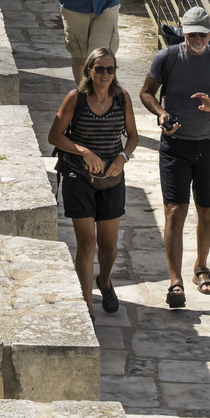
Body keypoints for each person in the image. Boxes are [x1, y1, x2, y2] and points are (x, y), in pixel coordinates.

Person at [140, 5, 210, 308]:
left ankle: (201, 267)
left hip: (209, 145)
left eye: (203, 34)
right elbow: (146, 93)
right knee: (174, 212)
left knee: (207, 210)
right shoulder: (168, 57)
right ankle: (175, 282)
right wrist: (162, 114)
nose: (197, 39)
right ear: (182, 32)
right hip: (175, 147)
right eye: (191, 35)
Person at [48, 44, 138, 315]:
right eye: (99, 69)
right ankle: (86, 308)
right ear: (89, 70)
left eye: (110, 69)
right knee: (87, 243)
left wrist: (123, 157)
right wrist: (83, 150)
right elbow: (55, 136)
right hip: (78, 174)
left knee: (109, 247)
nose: (105, 74)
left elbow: (133, 137)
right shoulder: (75, 98)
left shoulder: (122, 97)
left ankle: (105, 281)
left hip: (111, 177)